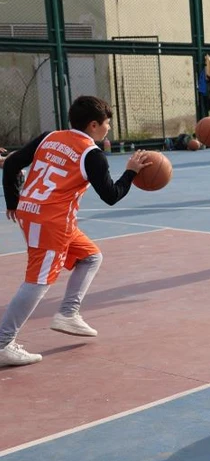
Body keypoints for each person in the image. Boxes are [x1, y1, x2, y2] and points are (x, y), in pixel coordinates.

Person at [0, 96, 151, 367]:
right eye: (107, 124)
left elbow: (11, 164)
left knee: (90, 256)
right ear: (94, 125)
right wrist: (130, 173)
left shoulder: (50, 137)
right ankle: (2, 343)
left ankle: (68, 313)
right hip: (52, 222)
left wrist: (13, 201)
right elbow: (111, 195)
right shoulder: (91, 154)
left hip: (33, 211)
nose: (108, 129)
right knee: (38, 281)